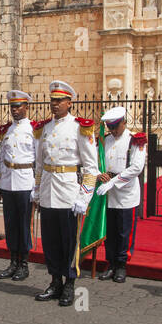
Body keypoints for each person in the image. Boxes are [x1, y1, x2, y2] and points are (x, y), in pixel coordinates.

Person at [31, 80, 98, 307]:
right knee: (50, 241)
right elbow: (39, 165)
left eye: (60, 101)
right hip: (49, 189)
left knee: (69, 241)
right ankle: (54, 281)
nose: (55, 104)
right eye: (52, 100)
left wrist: (84, 197)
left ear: (70, 102)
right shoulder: (44, 128)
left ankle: (69, 283)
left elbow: (91, 168)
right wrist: (37, 190)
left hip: (69, 191)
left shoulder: (81, 127)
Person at [95, 106, 147, 282]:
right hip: (107, 194)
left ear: (124, 122)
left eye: (115, 126)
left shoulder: (135, 140)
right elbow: (96, 160)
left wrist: (113, 182)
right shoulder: (105, 140)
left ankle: (122, 265)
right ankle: (110, 263)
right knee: (110, 231)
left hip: (125, 193)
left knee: (125, 232)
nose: (113, 130)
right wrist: (98, 174)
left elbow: (136, 168)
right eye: (110, 127)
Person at [0, 89, 35, 280]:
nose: (15, 110)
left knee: (24, 225)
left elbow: (39, 160)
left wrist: (36, 186)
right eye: (12, 106)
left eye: (18, 106)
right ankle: (13, 262)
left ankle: (24, 264)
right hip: (8, 182)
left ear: (27, 107)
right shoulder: (7, 130)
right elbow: (1, 157)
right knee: (10, 225)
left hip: (25, 181)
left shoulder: (34, 129)